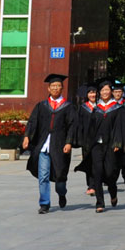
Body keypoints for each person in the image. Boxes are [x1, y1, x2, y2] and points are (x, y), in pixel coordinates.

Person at [24, 74, 75, 213]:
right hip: (43, 146)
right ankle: (44, 203)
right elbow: (32, 122)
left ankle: (62, 193)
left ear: (62, 88)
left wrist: (69, 142)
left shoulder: (68, 106)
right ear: (48, 88)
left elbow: (72, 126)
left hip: (60, 145)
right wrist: (27, 136)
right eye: (53, 86)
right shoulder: (42, 106)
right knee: (43, 176)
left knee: (60, 177)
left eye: (58, 86)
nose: (56, 88)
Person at [74, 79, 125, 213]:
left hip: (110, 145)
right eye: (102, 90)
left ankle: (113, 193)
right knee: (97, 172)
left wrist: (117, 142)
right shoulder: (96, 109)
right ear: (99, 92)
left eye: (107, 90)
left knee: (110, 173)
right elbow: (91, 129)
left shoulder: (117, 108)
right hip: (97, 145)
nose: (105, 92)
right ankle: (99, 202)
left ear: (111, 92)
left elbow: (119, 127)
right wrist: (87, 144)